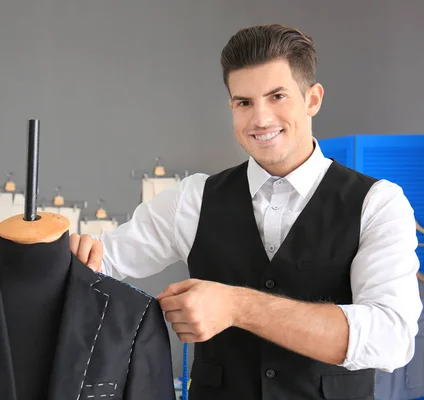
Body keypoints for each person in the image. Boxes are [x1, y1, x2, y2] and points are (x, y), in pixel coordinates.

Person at [69, 24, 422, 399]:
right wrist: (75, 253)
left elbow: (391, 338)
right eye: (244, 102)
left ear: (312, 99)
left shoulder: (378, 203)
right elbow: (100, 261)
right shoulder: (192, 200)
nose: (261, 119)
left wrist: (238, 306)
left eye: (277, 96)